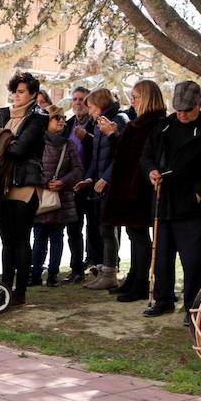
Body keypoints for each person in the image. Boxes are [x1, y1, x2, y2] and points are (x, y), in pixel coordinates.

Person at [141, 81, 201, 324]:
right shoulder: (164, 126)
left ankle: (193, 306)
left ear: (199, 106)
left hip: (190, 205)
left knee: (193, 260)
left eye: (187, 110)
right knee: (162, 256)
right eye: (178, 109)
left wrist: (199, 192)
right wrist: (151, 172)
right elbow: (146, 156)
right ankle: (163, 299)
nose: (182, 114)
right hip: (163, 200)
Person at [102, 80, 165, 303]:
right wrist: (113, 136)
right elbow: (125, 152)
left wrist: (114, 136)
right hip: (129, 185)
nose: (133, 101)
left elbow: (141, 155)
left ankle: (141, 282)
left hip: (140, 187)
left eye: (136, 97)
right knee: (133, 235)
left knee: (140, 237)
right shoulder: (140, 122)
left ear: (147, 98)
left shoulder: (154, 123)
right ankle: (133, 278)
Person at [0, 72, 51, 307]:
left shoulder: (38, 117)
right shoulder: (5, 116)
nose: (16, 96)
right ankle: (6, 286)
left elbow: (20, 149)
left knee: (20, 239)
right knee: (7, 240)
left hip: (26, 185)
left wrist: (2, 145)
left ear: (32, 94)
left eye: (21, 92)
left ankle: (20, 290)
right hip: (3, 185)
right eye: (15, 91)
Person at [30, 107, 84, 286]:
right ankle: (35, 273)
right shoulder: (38, 144)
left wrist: (63, 182)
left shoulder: (69, 145)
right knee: (38, 238)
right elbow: (32, 167)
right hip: (41, 197)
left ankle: (53, 274)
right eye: (56, 118)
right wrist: (46, 183)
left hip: (62, 200)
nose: (61, 121)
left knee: (57, 237)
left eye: (63, 117)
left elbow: (78, 170)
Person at [81, 88, 124, 290]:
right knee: (102, 229)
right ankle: (105, 271)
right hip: (99, 183)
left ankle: (110, 272)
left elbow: (121, 154)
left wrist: (106, 177)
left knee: (109, 229)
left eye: (91, 107)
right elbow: (97, 156)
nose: (89, 112)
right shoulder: (99, 124)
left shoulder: (119, 120)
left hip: (113, 184)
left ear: (100, 104)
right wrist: (90, 177)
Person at [62, 87, 95, 282]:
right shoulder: (67, 125)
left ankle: (97, 266)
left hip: (90, 183)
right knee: (73, 229)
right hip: (71, 185)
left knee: (94, 229)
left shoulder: (95, 124)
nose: (77, 103)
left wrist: (87, 138)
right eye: (74, 99)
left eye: (82, 99)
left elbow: (101, 150)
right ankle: (76, 269)